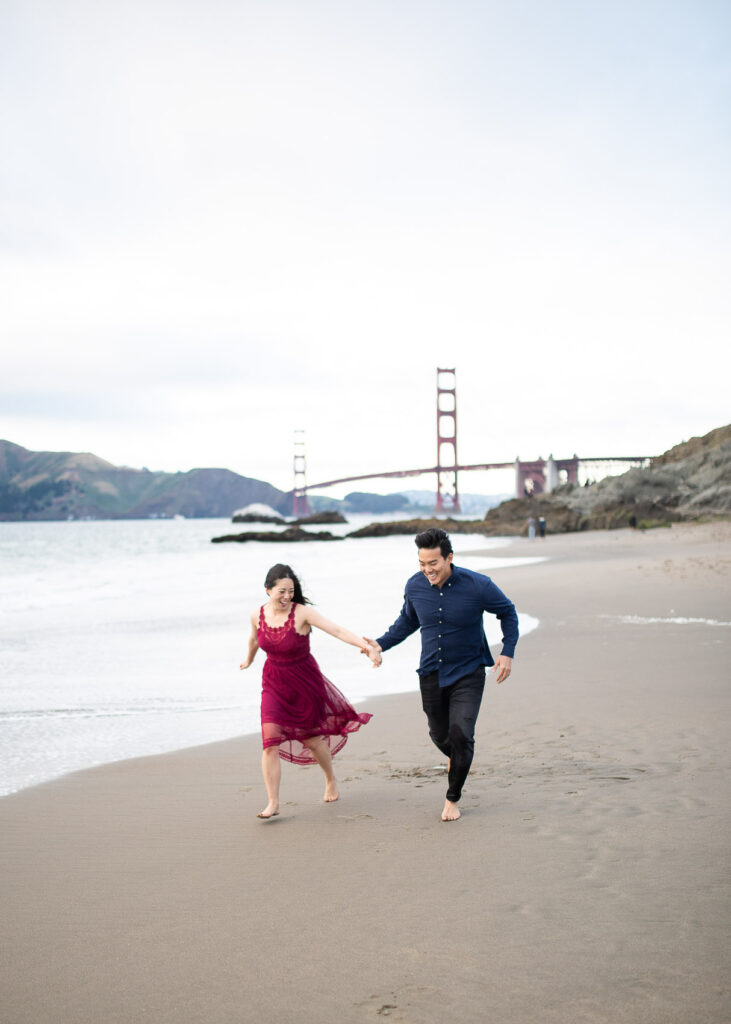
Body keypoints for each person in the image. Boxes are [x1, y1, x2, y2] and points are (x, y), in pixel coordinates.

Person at [367, 528, 518, 822]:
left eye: (433, 563)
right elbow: (407, 621)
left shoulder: (478, 585)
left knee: (461, 734)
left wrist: (507, 651)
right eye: (422, 564)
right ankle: (460, 757)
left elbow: (508, 612)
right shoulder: (414, 586)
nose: (427, 570)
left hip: (469, 671)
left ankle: (452, 798)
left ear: (449, 558)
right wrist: (380, 644)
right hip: (431, 672)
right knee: (440, 735)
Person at [240, 563, 380, 819]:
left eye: (290, 591)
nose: (286, 596)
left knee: (312, 740)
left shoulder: (302, 613)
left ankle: (330, 778)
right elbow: (253, 639)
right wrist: (248, 659)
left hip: (304, 683)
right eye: (281, 591)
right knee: (269, 741)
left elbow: (337, 630)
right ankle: (273, 802)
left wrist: (366, 646)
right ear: (268, 590)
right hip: (273, 683)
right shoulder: (256, 615)